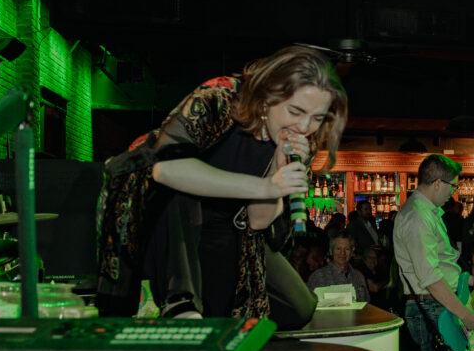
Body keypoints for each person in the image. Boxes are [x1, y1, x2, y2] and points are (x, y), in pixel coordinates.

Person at [97, 44, 347, 320]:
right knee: (178, 188)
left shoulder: (302, 141)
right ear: (267, 99)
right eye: (295, 111)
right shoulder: (220, 97)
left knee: (299, 309)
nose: (304, 126)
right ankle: (178, 303)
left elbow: (259, 221)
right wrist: (265, 187)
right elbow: (166, 168)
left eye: (317, 117)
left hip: (230, 223)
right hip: (166, 212)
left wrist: (276, 169)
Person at [394, 154, 474, 351]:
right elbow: (430, 278)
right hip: (434, 308)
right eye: (453, 185)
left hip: (447, 303)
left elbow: (443, 268)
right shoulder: (417, 216)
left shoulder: (429, 213)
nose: (453, 192)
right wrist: (465, 314)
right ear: (437, 184)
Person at [307, 231, 368, 302]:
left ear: (352, 251)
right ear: (331, 251)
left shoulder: (359, 277)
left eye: (347, 249)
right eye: (338, 249)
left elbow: (367, 305)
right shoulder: (318, 277)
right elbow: (308, 306)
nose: (342, 253)